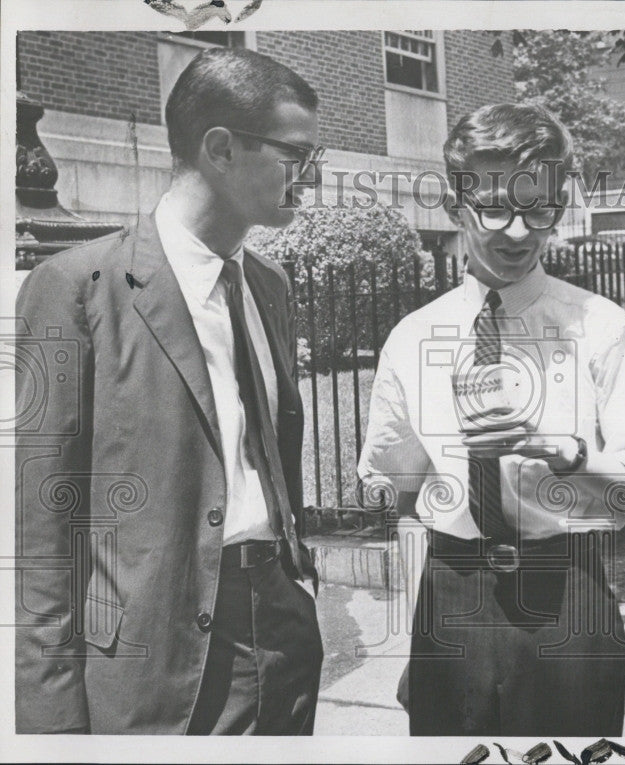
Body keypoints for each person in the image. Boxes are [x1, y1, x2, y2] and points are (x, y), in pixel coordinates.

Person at [16, 47, 325, 734]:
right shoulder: (76, 286)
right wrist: (52, 731)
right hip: (150, 665)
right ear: (220, 148)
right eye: (297, 155)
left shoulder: (268, 286)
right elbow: (46, 534)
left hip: (280, 633)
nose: (311, 178)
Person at [357, 103, 625, 736]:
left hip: (568, 591)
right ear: (453, 205)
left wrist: (574, 458)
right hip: (451, 591)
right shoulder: (414, 337)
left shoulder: (606, 329)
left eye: (541, 209)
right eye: (494, 206)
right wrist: (428, 629)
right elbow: (400, 489)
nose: (519, 232)